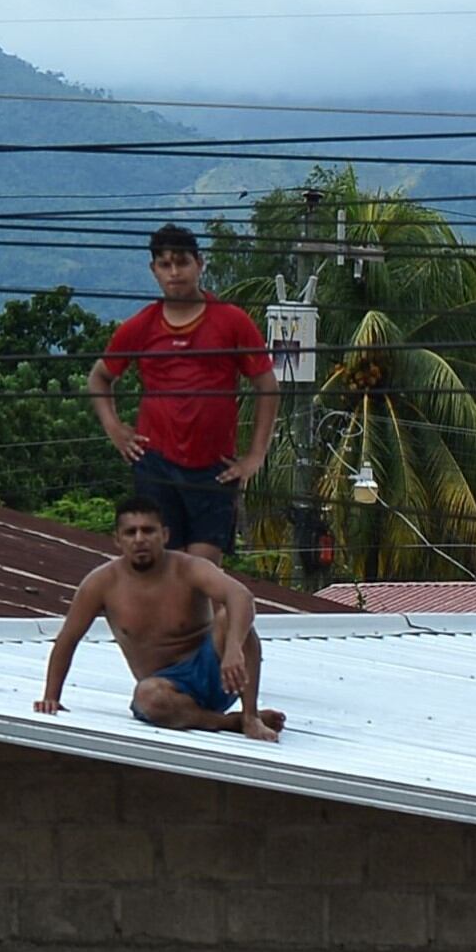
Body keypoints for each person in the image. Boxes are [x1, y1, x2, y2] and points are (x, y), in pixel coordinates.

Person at [90, 223, 274, 559]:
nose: (175, 272)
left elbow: (266, 386)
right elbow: (100, 377)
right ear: (154, 270)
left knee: (202, 574)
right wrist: (115, 429)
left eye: (182, 262)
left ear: (199, 264)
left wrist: (255, 456)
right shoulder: (141, 325)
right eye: (165, 264)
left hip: (214, 468)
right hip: (156, 464)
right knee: (164, 570)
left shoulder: (231, 321)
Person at [34, 500, 287, 739]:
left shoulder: (189, 568)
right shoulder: (100, 583)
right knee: (148, 697)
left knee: (231, 618)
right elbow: (67, 640)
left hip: (220, 674)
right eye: (131, 532)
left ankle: (251, 715)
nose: (140, 539)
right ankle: (230, 722)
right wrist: (51, 697)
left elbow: (241, 596)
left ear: (164, 535)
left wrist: (233, 649)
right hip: (168, 689)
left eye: (148, 531)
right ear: (118, 540)